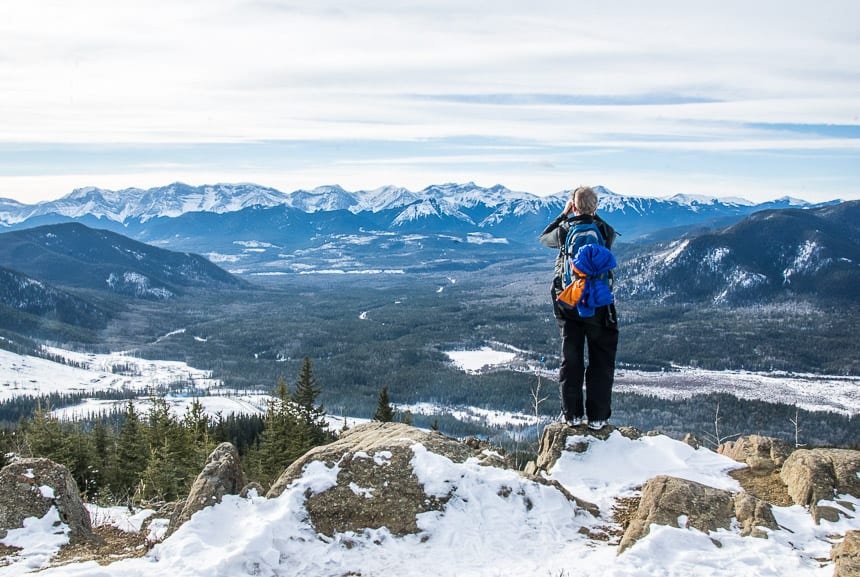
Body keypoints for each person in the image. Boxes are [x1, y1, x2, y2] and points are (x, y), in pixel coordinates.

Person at [539, 186, 618, 430]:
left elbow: (545, 238)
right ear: (595, 208)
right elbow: (611, 234)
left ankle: (571, 415)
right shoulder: (604, 230)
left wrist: (565, 214)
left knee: (571, 357)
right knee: (601, 358)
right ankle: (598, 417)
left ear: (573, 206)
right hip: (598, 303)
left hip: (569, 301)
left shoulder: (564, 230)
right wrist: (591, 213)